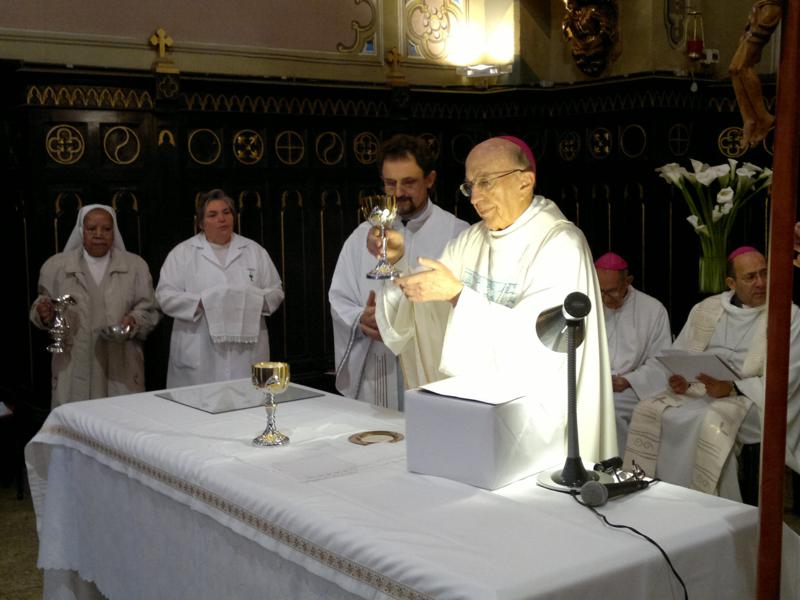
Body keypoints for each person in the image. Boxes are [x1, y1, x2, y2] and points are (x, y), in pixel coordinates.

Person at [374, 136, 617, 462]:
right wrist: (397, 263)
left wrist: (459, 296)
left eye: (485, 182)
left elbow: (545, 345)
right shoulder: (472, 240)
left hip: (539, 431)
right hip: (476, 420)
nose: (475, 197)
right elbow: (423, 311)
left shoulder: (559, 244)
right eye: (470, 185)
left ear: (525, 181)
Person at [624, 247, 800, 497]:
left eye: (764, 274)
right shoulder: (707, 309)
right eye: (750, 277)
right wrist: (681, 379)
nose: (761, 283)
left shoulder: (787, 316)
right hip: (702, 390)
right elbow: (680, 353)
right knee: (648, 411)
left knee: (708, 423)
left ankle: (707, 503)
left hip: (756, 400)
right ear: (731, 282)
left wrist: (731, 388)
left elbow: (787, 377)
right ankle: (658, 495)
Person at [329, 134, 468, 410]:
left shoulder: (458, 234)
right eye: (390, 183)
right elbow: (339, 297)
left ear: (430, 179)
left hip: (431, 364)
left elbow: (467, 304)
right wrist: (362, 319)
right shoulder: (362, 236)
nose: (398, 192)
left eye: (409, 182)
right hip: (378, 365)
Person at [29, 204, 160, 407]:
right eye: (92, 229)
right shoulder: (56, 267)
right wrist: (43, 313)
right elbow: (43, 302)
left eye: (106, 229)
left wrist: (133, 321)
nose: (99, 234)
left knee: (119, 426)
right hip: (73, 366)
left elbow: (149, 310)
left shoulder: (136, 267)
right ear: (82, 230)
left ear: (113, 232)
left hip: (121, 365)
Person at [156, 189, 284, 388]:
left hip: (245, 354)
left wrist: (253, 300)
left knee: (247, 406)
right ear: (200, 222)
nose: (222, 219)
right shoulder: (182, 254)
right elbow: (164, 296)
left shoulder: (254, 251)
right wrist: (201, 302)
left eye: (226, 212)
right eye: (213, 215)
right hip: (199, 351)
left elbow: (276, 290)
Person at [595, 252, 672, 453]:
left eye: (611, 291)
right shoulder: (590, 304)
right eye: (600, 290)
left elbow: (661, 361)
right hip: (594, 385)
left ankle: (617, 470)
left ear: (627, 282)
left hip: (632, 388)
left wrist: (629, 380)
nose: (604, 297)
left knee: (607, 410)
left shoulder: (653, 310)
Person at [729, 0, 782, 148]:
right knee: (734, 69)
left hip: (769, 9)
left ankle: (764, 116)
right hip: (759, 8)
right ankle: (749, 119)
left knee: (743, 67)